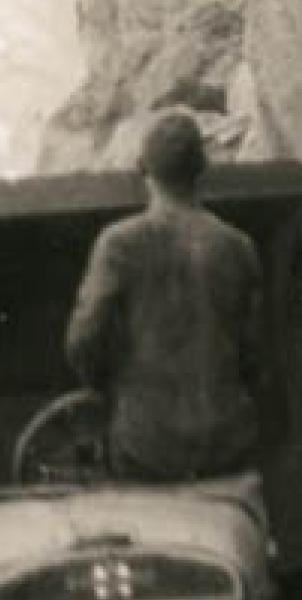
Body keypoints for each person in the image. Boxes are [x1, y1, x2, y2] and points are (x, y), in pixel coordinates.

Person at [63, 110, 264, 481]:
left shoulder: (119, 243)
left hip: (146, 446)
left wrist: (107, 386)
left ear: (144, 170)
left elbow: (82, 341)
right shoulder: (239, 246)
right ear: (201, 170)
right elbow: (254, 353)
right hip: (227, 443)